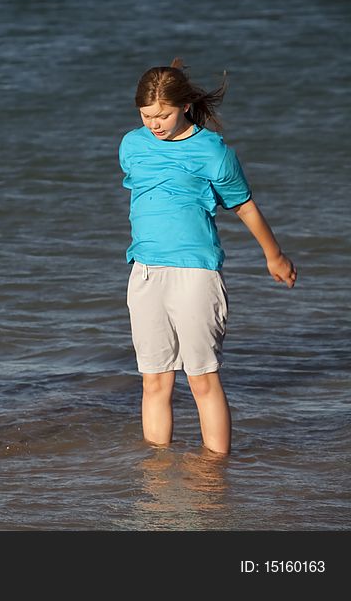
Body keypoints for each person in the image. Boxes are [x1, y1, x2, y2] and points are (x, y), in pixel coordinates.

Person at [120, 58, 297, 455]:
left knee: (201, 379)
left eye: (163, 114)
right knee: (154, 381)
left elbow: (245, 206)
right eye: (147, 115)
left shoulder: (212, 151)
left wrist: (274, 254)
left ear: (184, 106)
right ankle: (157, 472)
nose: (155, 123)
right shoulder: (131, 145)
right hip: (145, 272)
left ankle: (215, 475)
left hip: (195, 275)